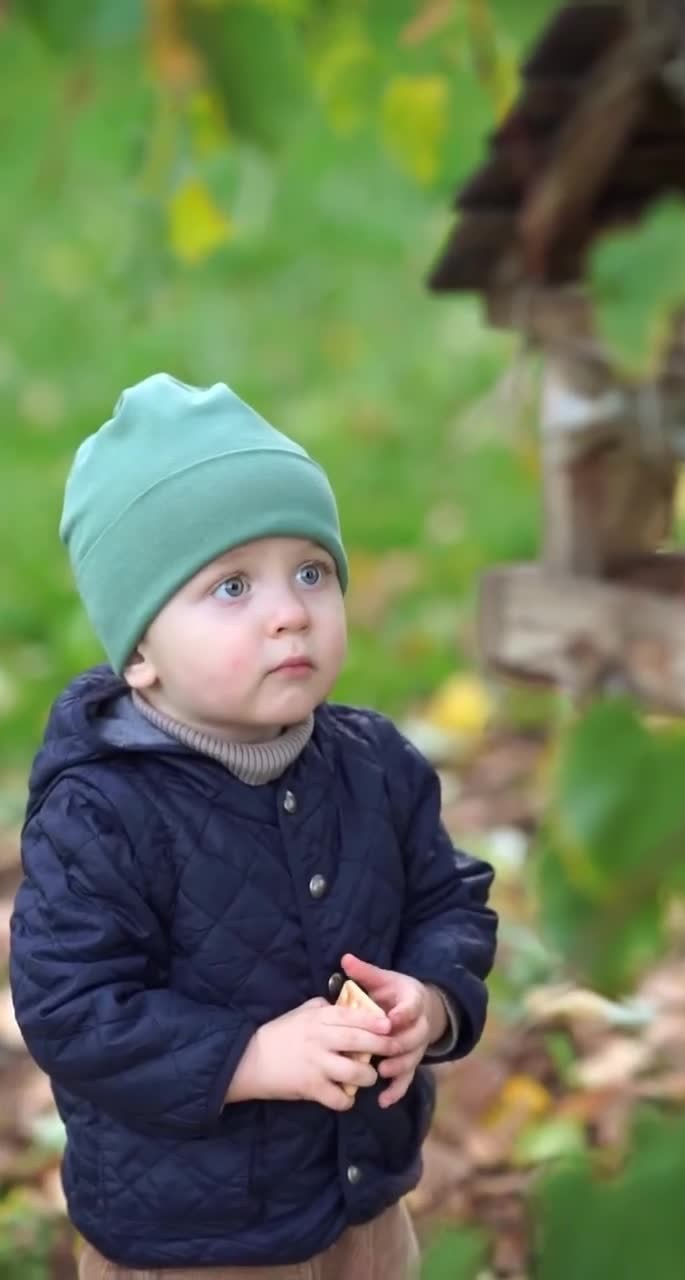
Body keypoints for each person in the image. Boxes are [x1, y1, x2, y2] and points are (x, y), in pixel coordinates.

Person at [10, 374, 498, 1280]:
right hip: (193, 1232)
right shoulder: (103, 812)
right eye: (231, 586)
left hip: (363, 1200)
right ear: (142, 653)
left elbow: (449, 897)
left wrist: (429, 999)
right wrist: (249, 1055)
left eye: (310, 571)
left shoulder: (375, 764)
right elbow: (71, 1009)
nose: (289, 610)